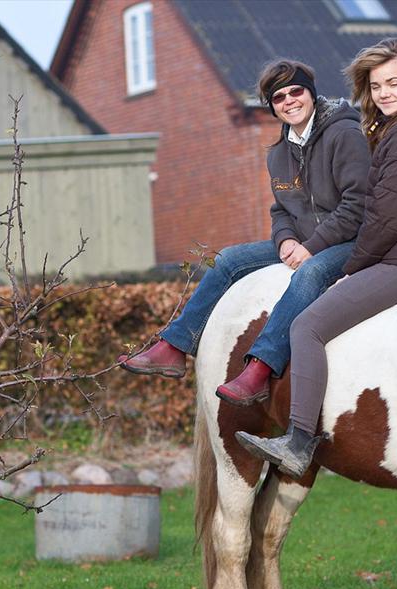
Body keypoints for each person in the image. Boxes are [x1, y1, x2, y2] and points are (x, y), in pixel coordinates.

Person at [237, 38, 397, 474]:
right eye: (376, 85)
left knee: (307, 325)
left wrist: (351, 269)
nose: (384, 93)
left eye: (393, 83)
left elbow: (384, 220)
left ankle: (298, 440)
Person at [119, 59, 369, 405]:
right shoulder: (279, 153)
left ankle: (261, 368)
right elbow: (282, 208)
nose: (289, 101)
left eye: (296, 91)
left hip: (348, 241)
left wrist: (311, 246)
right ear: (272, 107)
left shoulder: (345, 135)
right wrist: (285, 239)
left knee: (308, 275)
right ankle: (174, 347)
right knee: (228, 260)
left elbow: (358, 205)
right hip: (303, 241)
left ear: (311, 93)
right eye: (279, 97)